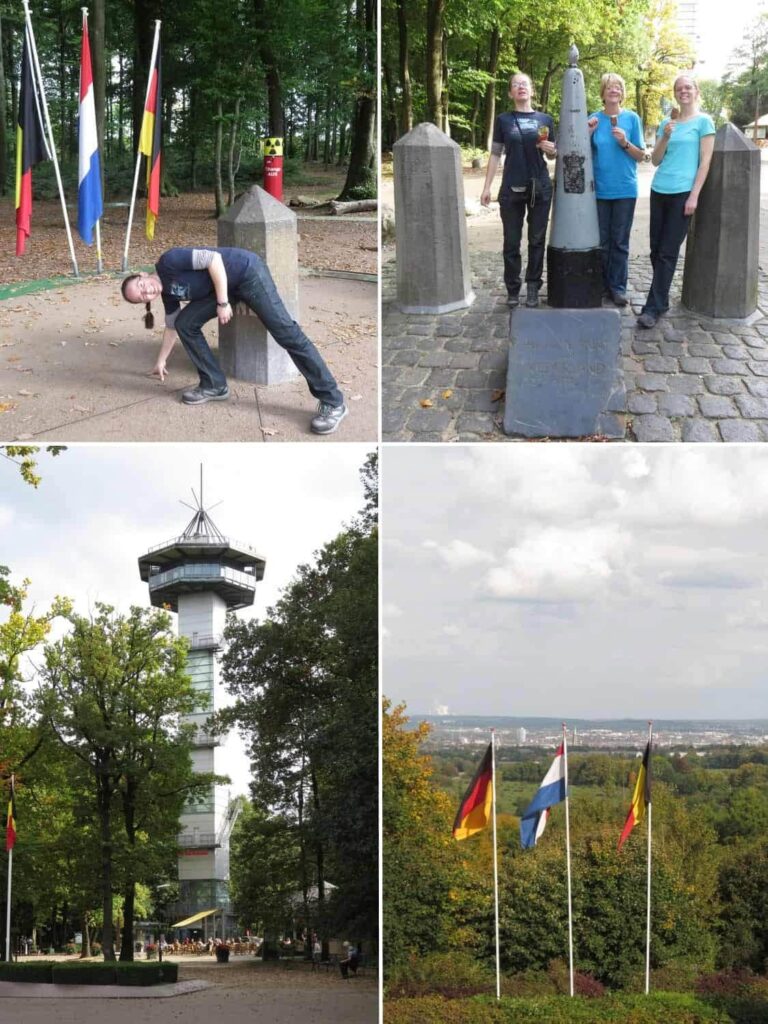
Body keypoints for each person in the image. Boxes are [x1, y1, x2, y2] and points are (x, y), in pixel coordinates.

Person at [121, 246, 347, 434]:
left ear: (142, 275)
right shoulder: (168, 295)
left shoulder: (169, 261)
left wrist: (222, 303)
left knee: (286, 332)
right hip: (226, 289)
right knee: (185, 324)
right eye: (141, 297)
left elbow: (214, 260)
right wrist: (161, 361)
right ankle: (214, 385)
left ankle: (333, 401)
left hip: (246, 274)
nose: (146, 292)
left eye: (141, 286)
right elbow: (171, 327)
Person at [636, 75, 715, 328]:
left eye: (688, 87)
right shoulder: (667, 123)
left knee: (668, 252)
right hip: (659, 190)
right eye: (679, 89)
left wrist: (694, 195)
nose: (684, 91)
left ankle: (652, 307)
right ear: (675, 94)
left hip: (682, 193)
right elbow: (656, 160)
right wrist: (665, 136)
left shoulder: (704, 122)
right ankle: (661, 301)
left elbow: (705, 162)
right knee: (656, 250)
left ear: (696, 91)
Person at [481, 72, 557, 308]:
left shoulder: (546, 119)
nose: (521, 87)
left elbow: (553, 153)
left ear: (532, 90)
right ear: (510, 93)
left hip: (540, 187)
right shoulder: (503, 120)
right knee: (511, 242)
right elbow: (495, 153)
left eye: (525, 84)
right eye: (516, 85)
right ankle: (513, 289)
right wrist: (487, 187)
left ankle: (533, 286)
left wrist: (552, 149)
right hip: (511, 188)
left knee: (537, 240)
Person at [587, 73, 645, 307]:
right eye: (609, 87)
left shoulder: (632, 119)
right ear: (602, 92)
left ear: (622, 93)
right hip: (599, 190)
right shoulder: (593, 119)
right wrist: (586, 133)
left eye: (618, 87)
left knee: (620, 241)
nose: (614, 90)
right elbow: (582, 154)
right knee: (602, 241)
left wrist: (624, 142)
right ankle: (601, 286)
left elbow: (641, 156)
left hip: (624, 189)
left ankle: (618, 287)